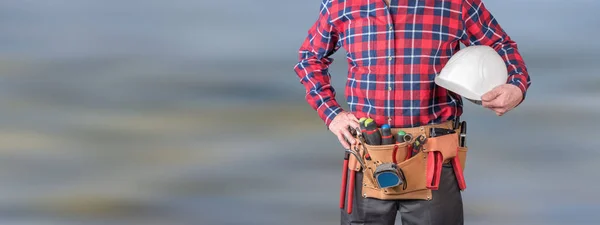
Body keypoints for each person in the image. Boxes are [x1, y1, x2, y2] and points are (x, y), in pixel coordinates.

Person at [293, 0, 531, 224]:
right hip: (366, 156)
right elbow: (309, 59)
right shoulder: (341, 2)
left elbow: (500, 45)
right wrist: (332, 113)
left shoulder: (455, 3)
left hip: (434, 160)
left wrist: (516, 86)